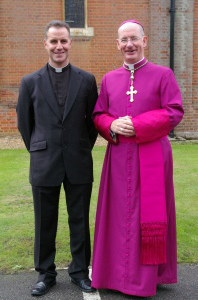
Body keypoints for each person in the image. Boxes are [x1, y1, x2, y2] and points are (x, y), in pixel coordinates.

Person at [91, 20, 184, 297]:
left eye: (134, 39)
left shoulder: (163, 74)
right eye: (124, 40)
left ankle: (145, 279)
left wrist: (138, 125)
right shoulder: (109, 79)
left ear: (145, 41)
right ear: (117, 44)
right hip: (119, 157)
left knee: (147, 214)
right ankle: (113, 276)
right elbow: (98, 114)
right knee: (118, 216)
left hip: (152, 155)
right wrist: (111, 126)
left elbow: (174, 111)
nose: (129, 44)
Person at [17, 20, 98, 296]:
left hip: (78, 159)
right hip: (44, 161)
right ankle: (45, 273)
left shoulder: (87, 80)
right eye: (54, 41)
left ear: (70, 43)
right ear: (45, 44)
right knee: (44, 221)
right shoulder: (29, 82)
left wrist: (80, 146)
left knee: (80, 220)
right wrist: (39, 148)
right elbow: (25, 124)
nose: (59, 46)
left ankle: (79, 271)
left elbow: (92, 123)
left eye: (63, 41)